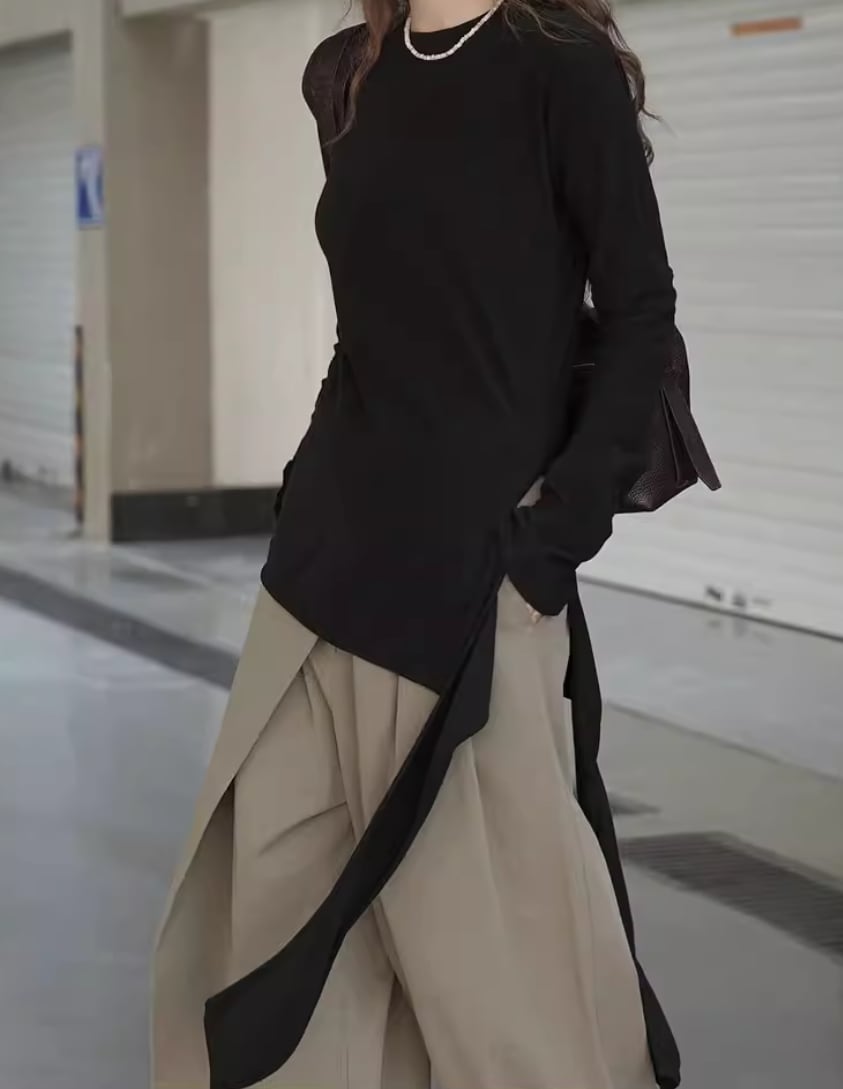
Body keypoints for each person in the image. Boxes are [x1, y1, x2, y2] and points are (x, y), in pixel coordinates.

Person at [153, 2, 683, 1088]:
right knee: (285, 927)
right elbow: (369, 325)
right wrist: (306, 486)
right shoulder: (344, 75)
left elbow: (641, 310)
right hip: (325, 572)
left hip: (476, 585)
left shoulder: (559, 66)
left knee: (503, 971)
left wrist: (556, 538)